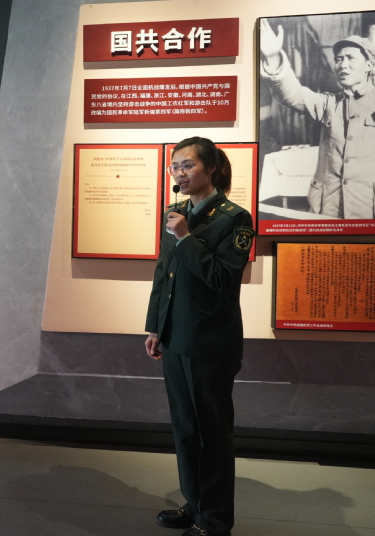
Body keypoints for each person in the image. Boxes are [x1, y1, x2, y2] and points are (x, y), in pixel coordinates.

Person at [145, 137, 254, 536]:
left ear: (211, 168)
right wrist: (155, 326)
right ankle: (195, 503)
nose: (180, 173)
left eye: (188, 165)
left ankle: (215, 521)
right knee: (186, 429)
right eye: (175, 166)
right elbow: (164, 273)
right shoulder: (176, 213)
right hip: (176, 337)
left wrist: (187, 238)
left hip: (209, 342)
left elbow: (223, 280)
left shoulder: (234, 219)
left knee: (212, 433)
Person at [259, 18, 375, 219]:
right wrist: (273, 57)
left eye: (350, 58)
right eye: (338, 59)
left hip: (366, 209)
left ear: (369, 65)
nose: (343, 65)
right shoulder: (329, 103)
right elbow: (292, 95)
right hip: (327, 209)